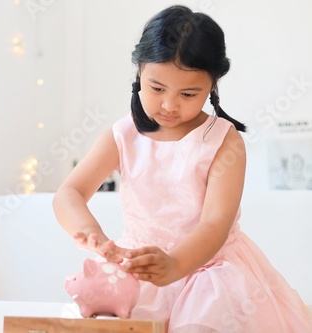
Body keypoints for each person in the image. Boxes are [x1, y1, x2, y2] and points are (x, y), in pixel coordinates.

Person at [53, 5, 312, 333]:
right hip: (140, 267)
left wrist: (175, 264)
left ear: (212, 87)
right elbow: (69, 193)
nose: (169, 105)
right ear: (139, 74)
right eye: (157, 88)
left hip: (209, 270)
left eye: (189, 94)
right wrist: (93, 235)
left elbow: (215, 224)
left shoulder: (223, 141)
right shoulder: (122, 136)